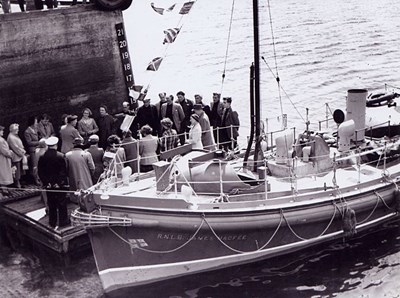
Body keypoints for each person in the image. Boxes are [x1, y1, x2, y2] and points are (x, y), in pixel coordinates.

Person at [38, 137, 69, 228]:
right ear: (56, 145)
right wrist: (60, 182)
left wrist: (46, 182)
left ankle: (52, 221)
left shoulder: (42, 157)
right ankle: (63, 221)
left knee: (51, 202)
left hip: (48, 184)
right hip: (59, 184)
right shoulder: (61, 156)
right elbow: (64, 171)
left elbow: (41, 172)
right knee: (62, 202)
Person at [7, 123, 26, 188]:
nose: (18, 130)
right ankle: (17, 183)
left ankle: (20, 181)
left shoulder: (15, 135)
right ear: (13, 130)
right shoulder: (11, 137)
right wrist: (21, 153)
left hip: (19, 155)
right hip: (16, 156)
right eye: (17, 129)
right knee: (16, 170)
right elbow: (15, 148)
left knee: (20, 169)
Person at [24, 116, 40, 183]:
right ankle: (36, 179)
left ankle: (38, 177)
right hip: (33, 150)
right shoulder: (27, 132)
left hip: (38, 149)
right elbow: (29, 142)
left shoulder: (35, 129)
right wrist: (39, 143)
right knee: (34, 165)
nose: (36, 123)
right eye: (35, 122)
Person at [0, 125, 13, 195]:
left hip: (2, 158)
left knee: (2, 173)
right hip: (3, 159)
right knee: (3, 173)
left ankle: (4, 188)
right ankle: (4, 189)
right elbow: (5, 151)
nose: (3, 132)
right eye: (1, 130)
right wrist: (11, 153)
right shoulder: (0, 141)